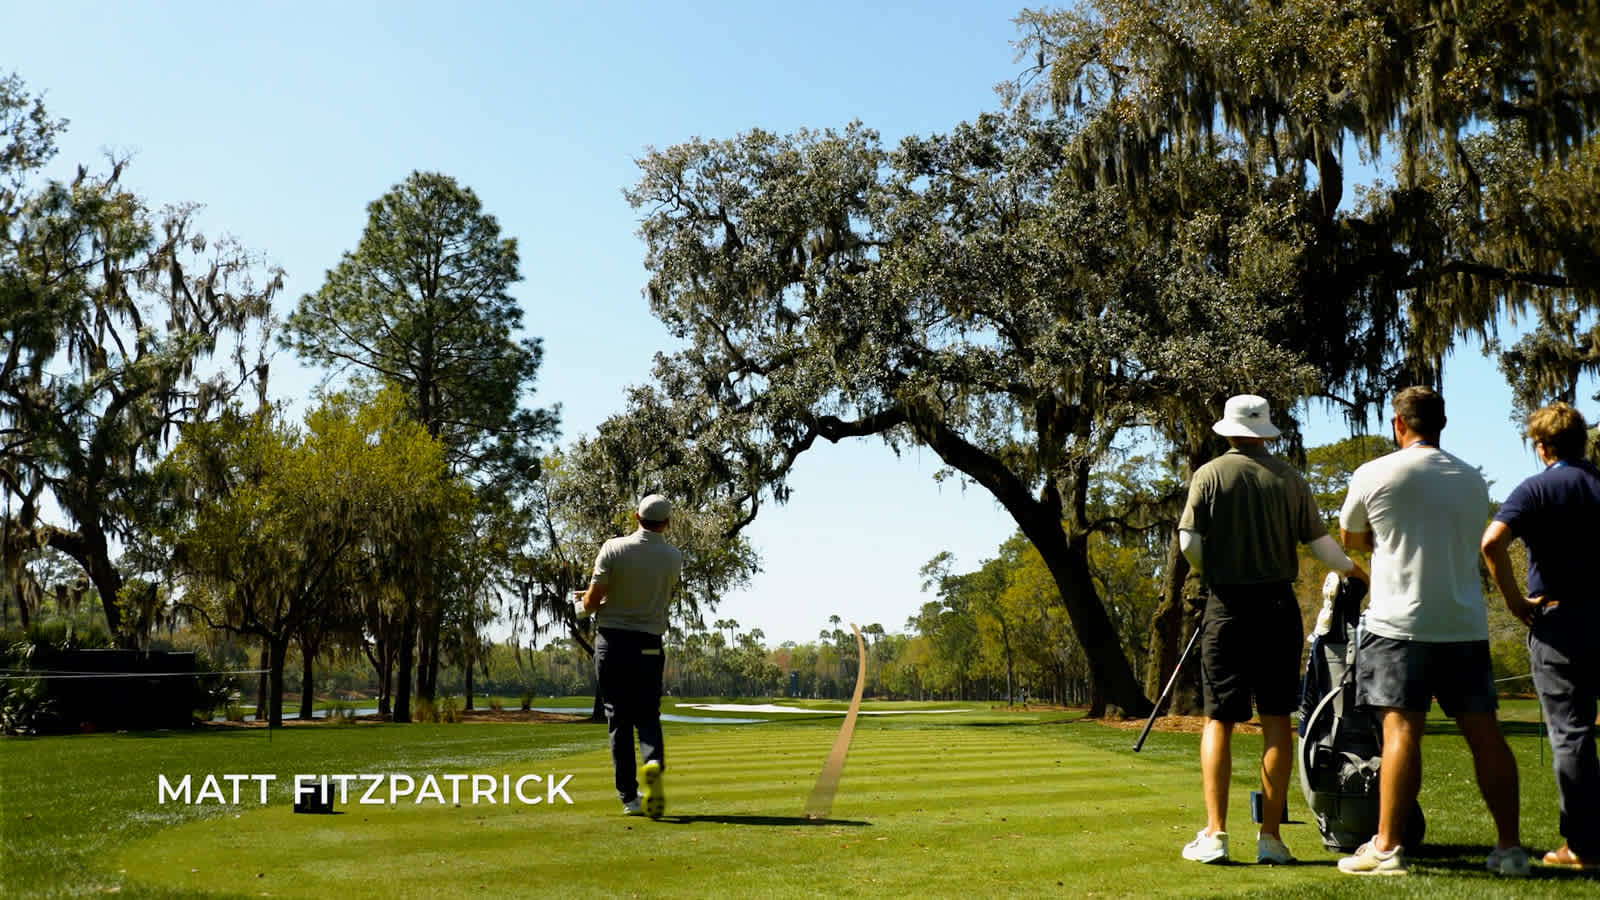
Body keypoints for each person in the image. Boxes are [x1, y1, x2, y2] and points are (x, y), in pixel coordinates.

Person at [1336, 386, 1527, 877]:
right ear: (1441, 424)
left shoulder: (1373, 473)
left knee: (1400, 731)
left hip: (1397, 623)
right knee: (1485, 734)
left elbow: (1352, 540)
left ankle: (1387, 846)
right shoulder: (1470, 479)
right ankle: (1510, 849)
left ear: (1398, 423)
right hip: (1462, 622)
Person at [1177, 394, 1367, 865]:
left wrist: (1213, 570)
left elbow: (1188, 543)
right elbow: (1321, 544)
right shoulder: (1288, 477)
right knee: (1277, 719)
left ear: (1228, 430)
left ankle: (1216, 834)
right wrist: (1354, 571)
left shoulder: (1209, 475)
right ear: (1264, 432)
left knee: (1219, 718)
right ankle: (1271, 838)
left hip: (1228, 605)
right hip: (1279, 607)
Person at [1481, 403, 1600, 869]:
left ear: (1541, 447)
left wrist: (1513, 600)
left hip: (1560, 620)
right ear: (1584, 441)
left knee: (1571, 733)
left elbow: (1492, 542)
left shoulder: (1535, 489)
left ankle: (1584, 846)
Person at [575, 493, 684, 818]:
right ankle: (652, 761)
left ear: (637, 516)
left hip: (614, 642)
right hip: (650, 643)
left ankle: (630, 797)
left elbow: (595, 601)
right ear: (666, 522)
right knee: (647, 713)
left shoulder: (614, 548)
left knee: (618, 718)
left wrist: (581, 606)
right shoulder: (673, 557)